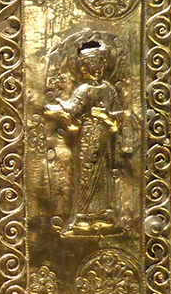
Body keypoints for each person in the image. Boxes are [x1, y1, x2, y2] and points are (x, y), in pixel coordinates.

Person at [45, 39, 121, 234]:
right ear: (84, 69)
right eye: (91, 66)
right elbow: (73, 109)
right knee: (87, 174)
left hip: (104, 138)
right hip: (87, 137)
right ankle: (84, 216)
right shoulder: (83, 90)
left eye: (98, 65)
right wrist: (58, 106)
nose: (95, 70)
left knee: (103, 175)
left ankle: (103, 214)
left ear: (103, 66)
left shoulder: (109, 90)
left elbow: (118, 122)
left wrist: (106, 116)